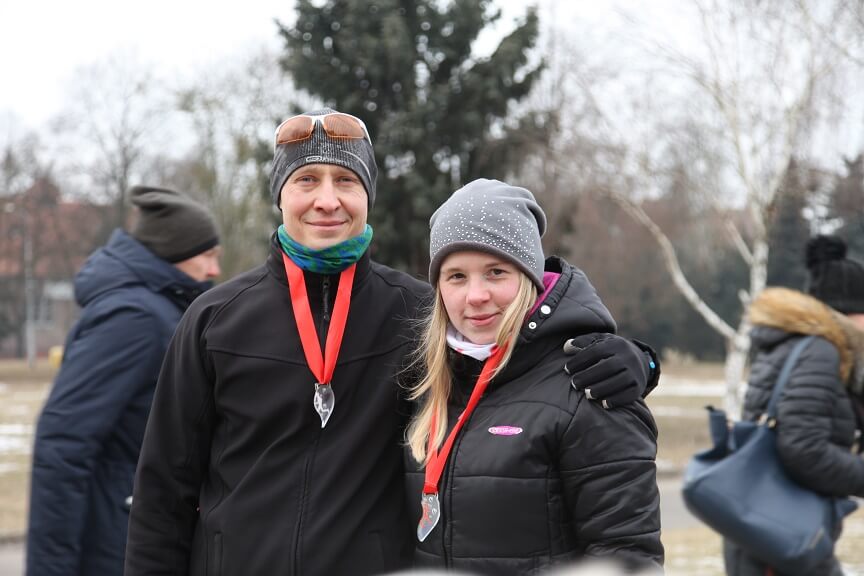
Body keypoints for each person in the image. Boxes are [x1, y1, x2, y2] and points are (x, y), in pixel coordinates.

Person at [124, 109, 659, 576]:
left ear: (368, 197)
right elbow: (164, 489)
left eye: (345, 181)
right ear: (280, 195)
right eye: (306, 180)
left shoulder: (420, 313)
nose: (327, 200)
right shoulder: (214, 319)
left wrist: (636, 361)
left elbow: (514, 371)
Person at [404, 179, 664, 575]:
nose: (475, 295)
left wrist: (645, 362)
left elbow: (627, 558)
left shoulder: (591, 384)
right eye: (456, 276)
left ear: (530, 277)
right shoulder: (428, 384)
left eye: (495, 272)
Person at [26, 186, 221, 576]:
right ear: (174, 253)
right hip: (114, 547)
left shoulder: (161, 310)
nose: (215, 269)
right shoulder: (136, 319)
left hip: (136, 537)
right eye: (206, 255)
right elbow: (64, 443)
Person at [723, 235, 864, 576]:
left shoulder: (802, 346)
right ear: (849, 311)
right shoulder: (820, 352)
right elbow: (803, 448)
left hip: (770, 528)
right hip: (781, 535)